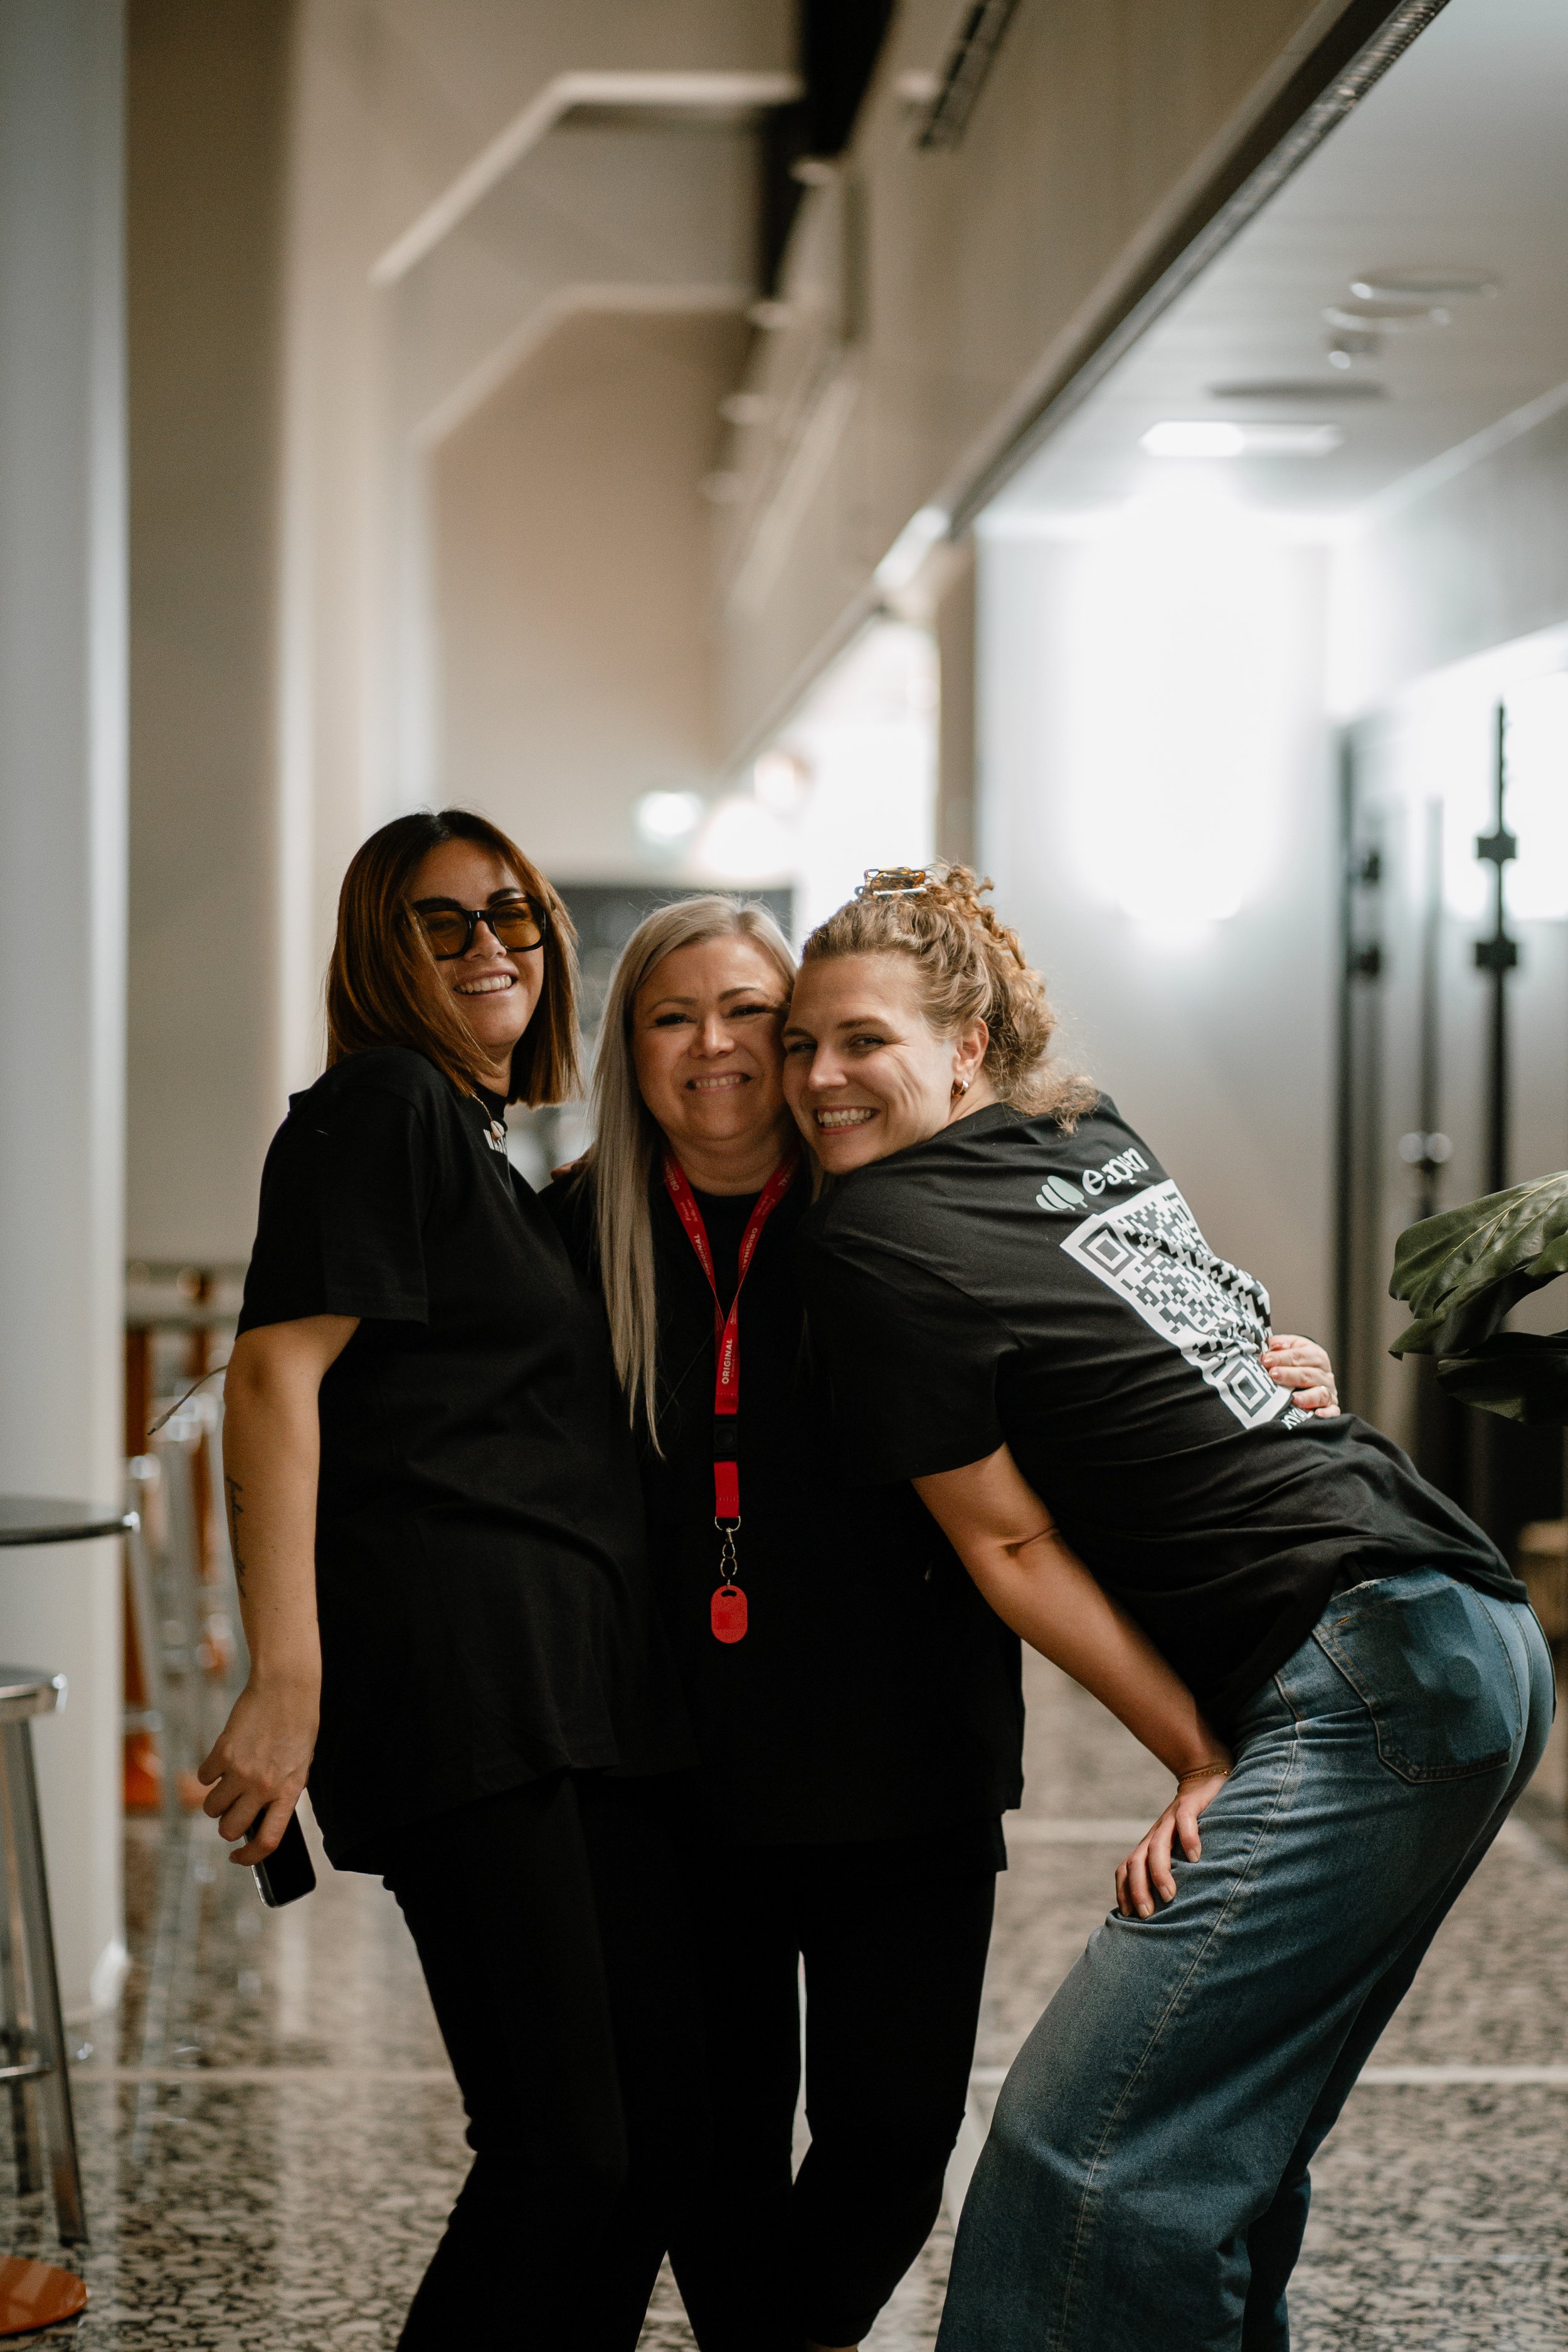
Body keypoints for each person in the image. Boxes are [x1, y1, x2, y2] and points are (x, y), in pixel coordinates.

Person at [543, 893, 1339, 2352]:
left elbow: (1129, 1341)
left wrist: (1263, 1361)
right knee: (707, 2153)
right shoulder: (556, 1245)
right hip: (660, 1775)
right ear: (626, 1046)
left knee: (895, 2137)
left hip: (901, 1753)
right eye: (673, 1016)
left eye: (762, 1024)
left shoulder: (897, 1207)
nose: (723, 1050)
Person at [783, 865, 1552, 2352]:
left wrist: (1195, 1758)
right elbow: (1200, 1327)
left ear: (967, 1043)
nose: (821, 1078)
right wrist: (1283, 1355)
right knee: (1214, 2148)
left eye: (862, 1040)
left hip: (1362, 1665)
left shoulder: (870, 1235)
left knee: (1087, 2160)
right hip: (1466, 1631)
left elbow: (1005, 1547)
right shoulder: (1084, 1131)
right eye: (804, 1045)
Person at [197, 808, 697, 2351]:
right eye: (443, 923)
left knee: (628, 2161)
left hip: (561, 1695)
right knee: (561, 2154)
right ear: (380, 951)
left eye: (513, 915)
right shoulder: (378, 1111)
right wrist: (285, 1681)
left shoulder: (484, 1143)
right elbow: (274, 1386)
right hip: (463, 1693)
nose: (494, 947)